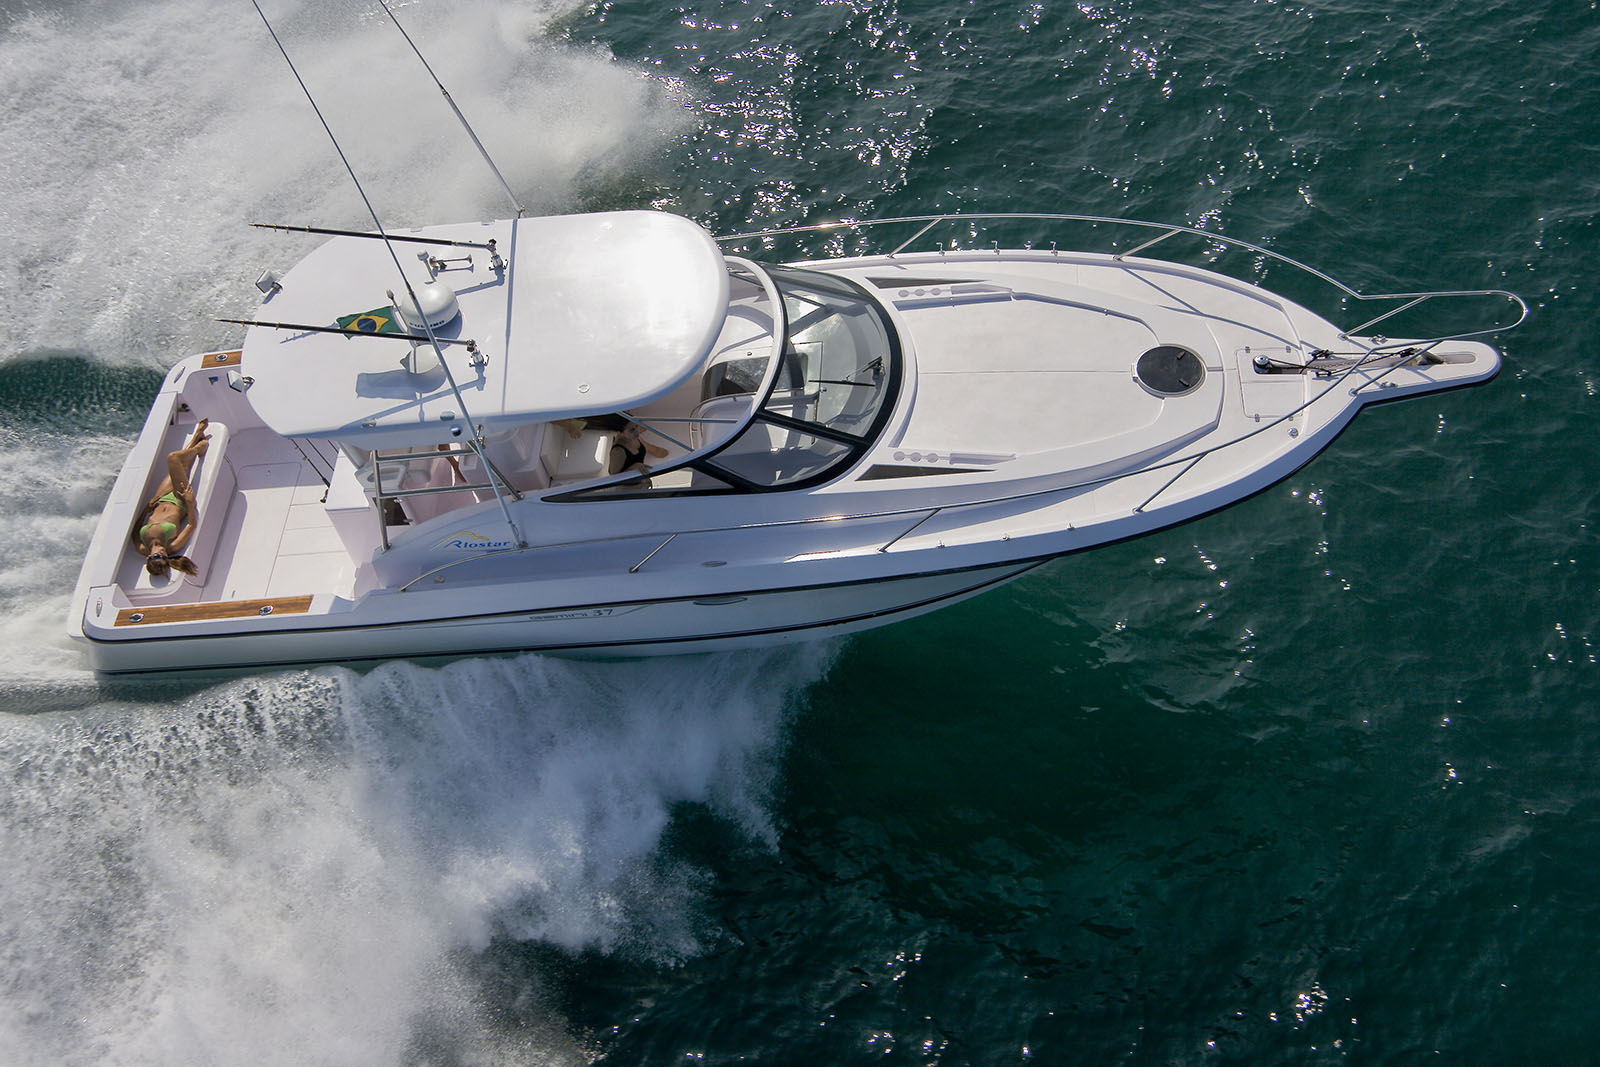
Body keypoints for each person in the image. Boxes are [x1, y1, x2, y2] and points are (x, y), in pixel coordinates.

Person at [132, 419, 210, 577]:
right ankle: (198, 447)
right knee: (173, 458)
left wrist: (146, 510)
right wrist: (189, 503)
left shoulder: (142, 547)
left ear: (149, 557)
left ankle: (197, 439)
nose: (162, 554)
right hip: (180, 500)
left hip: (160, 499)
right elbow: (191, 525)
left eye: (157, 556)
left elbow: (134, 531)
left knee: (181, 466)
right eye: (164, 558)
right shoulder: (172, 546)